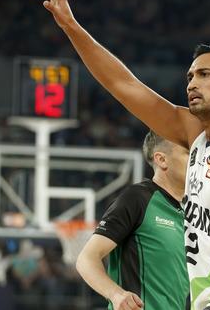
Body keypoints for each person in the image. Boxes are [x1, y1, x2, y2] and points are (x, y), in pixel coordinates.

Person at [37, 0, 210, 310]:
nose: (192, 83)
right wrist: (70, 26)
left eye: (204, 74)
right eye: (189, 76)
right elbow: (123, 85)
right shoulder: (195, 134)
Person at [76, 131, 189, 310]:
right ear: (161, 160)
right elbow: (86, 259)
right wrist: (116, 294)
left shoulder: (195, 211)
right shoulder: (137, 199)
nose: (198, 160)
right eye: (188, 153)